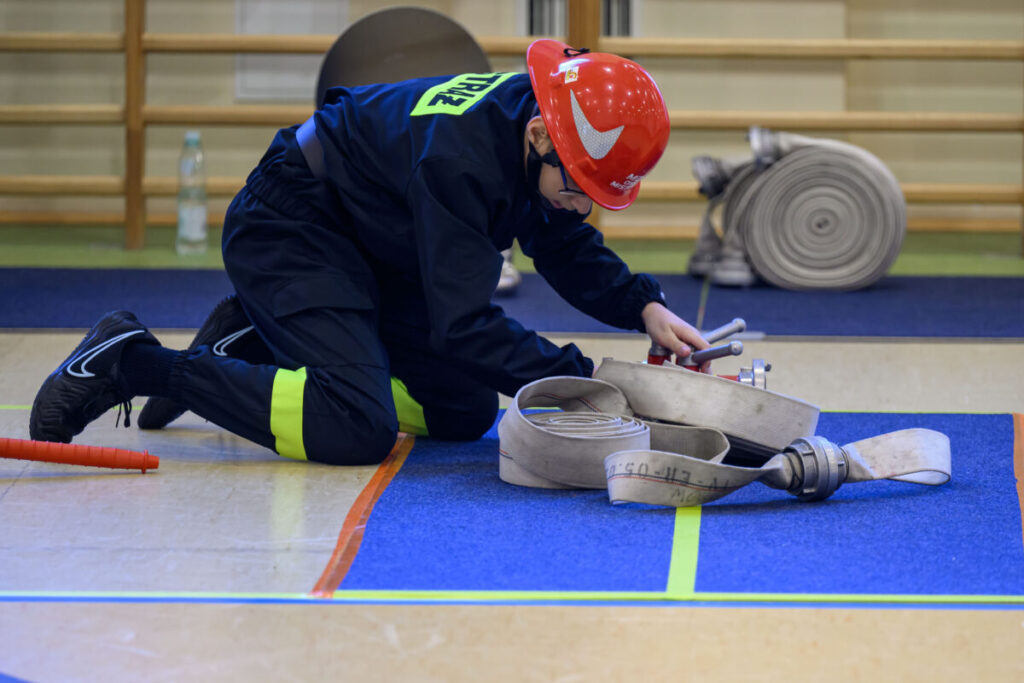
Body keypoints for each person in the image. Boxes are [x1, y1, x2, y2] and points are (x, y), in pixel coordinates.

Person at [29, 40, 710, 465]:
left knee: (464, 410)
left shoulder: (539, 117)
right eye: (579, 185)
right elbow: (464, 323)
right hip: (291, 224)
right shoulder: (464, 159)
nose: (582, 204)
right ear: (540, 135)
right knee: (355, 426)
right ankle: (133, 359)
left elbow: (557, 235)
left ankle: (252, 340)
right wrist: (588, 380)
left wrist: (641, 304)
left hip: (370, 242)